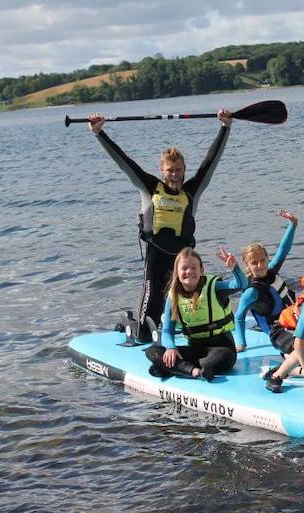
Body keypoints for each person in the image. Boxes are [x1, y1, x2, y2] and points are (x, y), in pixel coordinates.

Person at [88, 108, 233, 342]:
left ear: (184, 169)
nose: (174, 175)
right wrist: (99, 133)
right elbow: (124, 162)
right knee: (149, 314)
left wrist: (225, 127)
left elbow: (210, 162)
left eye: (178, 170)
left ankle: (179, 325)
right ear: (161, 171)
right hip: (156, 252)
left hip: (182, 255)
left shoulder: (191, 191)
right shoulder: (150, 186)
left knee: (186, 292)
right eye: (169, 171)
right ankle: (130, 323)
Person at [145, 246, 247, 382]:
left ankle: (175, 368)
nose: (189, 272)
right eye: (184, 268)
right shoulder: (173, 297)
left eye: (194, 268)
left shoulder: (214, 287)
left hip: (221, 346)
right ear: (177, 272)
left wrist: (234, 267)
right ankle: (194, 371)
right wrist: (170, 348)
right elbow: (168, 330)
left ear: (201, 270)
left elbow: (241, 284)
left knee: (225, 357)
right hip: (195, 348)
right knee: (153, 351)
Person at [233, 210, 299, 351]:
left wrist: (292, 224)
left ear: (267, 258)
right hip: (279, 330)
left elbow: (283, 249)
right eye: (254, 262)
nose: (260, 265)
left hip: (295, 317)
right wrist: (241, 344)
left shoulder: (271, 270)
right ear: (247, 265)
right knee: (300, 345)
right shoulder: (251, 292)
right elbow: (239, 317)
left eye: (263, 260)